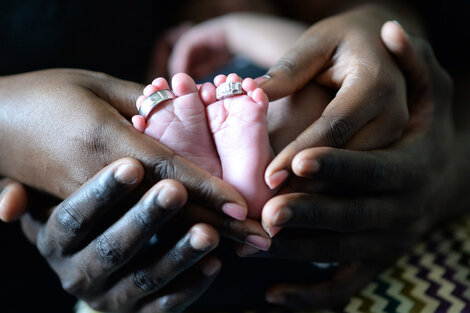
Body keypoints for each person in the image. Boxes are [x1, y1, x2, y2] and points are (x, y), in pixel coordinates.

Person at [1, 1, 467, 312]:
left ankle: (217, 171)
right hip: (280, 230)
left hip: (203, 250)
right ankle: (245, 174)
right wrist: (232, 30)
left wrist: (228, 27)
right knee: (290, 105)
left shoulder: (202, 74)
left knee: (305, 100)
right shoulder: (226, 82)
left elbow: (316, 51)